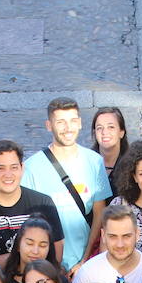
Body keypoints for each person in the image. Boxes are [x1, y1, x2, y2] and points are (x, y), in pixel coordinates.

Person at [22, 97, 111, 273]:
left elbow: (99, 214)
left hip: (85, 263)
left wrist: (84, 261)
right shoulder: (31, 167)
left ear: (80, 123)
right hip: (47, 265)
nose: (68, 128)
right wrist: (50, 264)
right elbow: (28, 221)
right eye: (60, 122)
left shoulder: (94, 161)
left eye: (72, 121)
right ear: (49, 125)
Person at [0, 140, 64, 267]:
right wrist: (26, 255)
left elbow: (56, 257)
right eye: (0, 169)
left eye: (14, 167)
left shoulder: (43, 204)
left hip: (39, 277)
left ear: (22, 169)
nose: (8, 175)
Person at [71, 205, 142, 283]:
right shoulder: (88, 274)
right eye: (113, 236)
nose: (120, 244)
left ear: (138, 234)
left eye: (126, 236)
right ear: (103, 236)